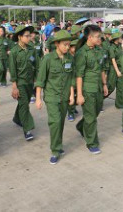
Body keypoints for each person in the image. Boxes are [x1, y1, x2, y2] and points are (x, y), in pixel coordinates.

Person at [35, 30, 75, 164]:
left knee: (61, 122)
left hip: (64, 97)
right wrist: (38, 98)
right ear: (57, 44)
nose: (67, 47)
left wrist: (71, 95)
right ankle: (55, 150)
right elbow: (40, 80)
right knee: (55, 122)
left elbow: (70, 78)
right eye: (65, 45)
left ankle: (58, 143)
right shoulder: (48, 59)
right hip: (52, 97)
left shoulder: (69, 58)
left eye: (69, 45)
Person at [75, 25, 108, 154]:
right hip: (87, 89)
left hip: (98, 87)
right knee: (91, 118)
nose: (100, 38)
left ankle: (80, 126)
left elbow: (101, 69)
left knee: (95, 112)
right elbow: (79, 75)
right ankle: (92, 142)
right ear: (90, 37)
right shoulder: (81, 53)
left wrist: (104, 84)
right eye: (97, 36)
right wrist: (80, 94)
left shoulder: (98, 51)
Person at [9, 26, 39, 141]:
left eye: (30, 35)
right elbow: (12, 70)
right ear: (20, 37)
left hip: (30, 82)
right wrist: (14, 87)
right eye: (26, 36)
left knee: (23, 102)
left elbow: (37, 65)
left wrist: (38, 81)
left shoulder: (32, 49)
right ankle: (27, 129)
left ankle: (17, 119)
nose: (29, 37)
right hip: (20, 82)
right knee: (24, 105)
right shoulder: (14, 52)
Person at [107, 32, 123, 109]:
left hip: (120, 68)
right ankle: (99, 100)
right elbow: (113, 60)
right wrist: (117, 71)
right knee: (111, 87)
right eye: (120, 38)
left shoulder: (120, 46)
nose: (121, 39)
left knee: (120, 86)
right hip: (113, 69)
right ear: (116, 39)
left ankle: (119, 104)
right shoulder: (111, 48)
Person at [67, 38, 79, 122]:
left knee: (76, 95)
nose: (75, 49)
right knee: (70, 96)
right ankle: (70, 113)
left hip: (77, 79)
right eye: (74, 47)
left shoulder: (78, 56)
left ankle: (73, 108)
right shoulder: (67, 58)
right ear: (70, 48)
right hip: (70, 80)